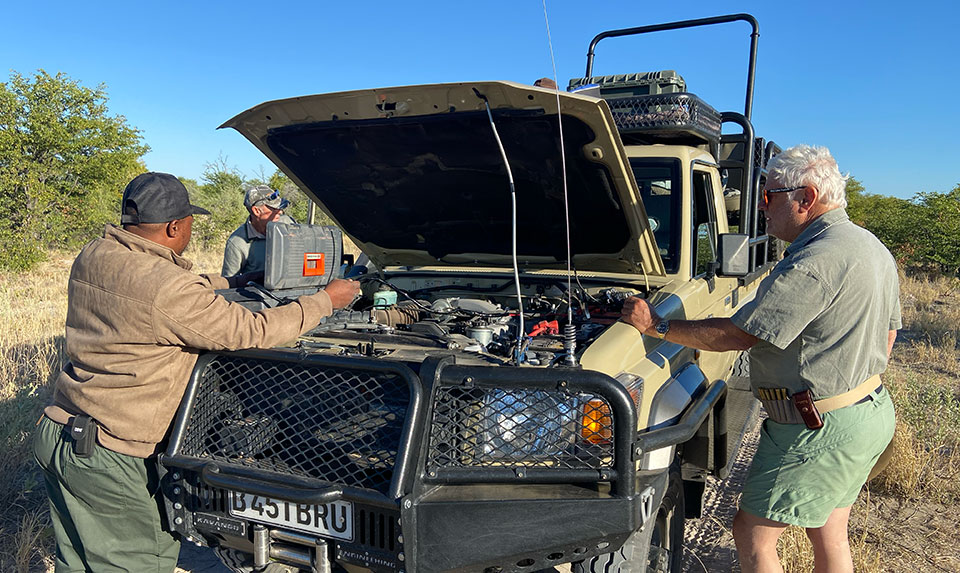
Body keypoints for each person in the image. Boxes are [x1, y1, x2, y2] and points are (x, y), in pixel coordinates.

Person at [33, 172, 360, 572]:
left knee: (77, 562)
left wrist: (235, 280)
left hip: (61, 433)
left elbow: (165, 289)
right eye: (188, 222)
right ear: (174, 227)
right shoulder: (165, 289)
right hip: (112, 456)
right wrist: (326, 300)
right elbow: (251, 330)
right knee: (136, 563)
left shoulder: (95, 254)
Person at [620, 145, 899, 573]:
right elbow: (889, 334)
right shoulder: (869, 246)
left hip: (817, 426)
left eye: (768, 197)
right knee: (828, 530)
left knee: (751, 533)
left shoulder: (815, 261)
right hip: (865, 411)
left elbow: (736, 335)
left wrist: (656, 326)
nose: (761, 209)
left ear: (805, 198)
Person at [221, 184, 294, 277]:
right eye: (273, 208)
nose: (280, 212)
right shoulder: (237, 242)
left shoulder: (288, 223)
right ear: (256, 211)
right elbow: (228, 282)